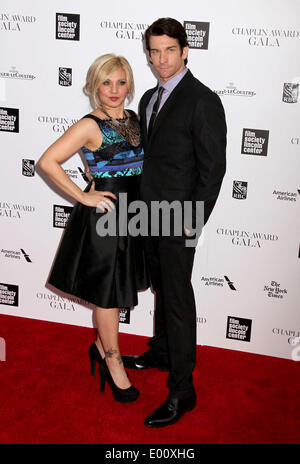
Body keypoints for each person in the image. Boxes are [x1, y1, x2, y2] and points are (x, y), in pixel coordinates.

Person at [123, 18, 227, 426]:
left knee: (178, 300)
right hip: (148, 214)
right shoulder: (149, 97)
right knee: (163, 290)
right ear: (147, 53)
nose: (161, 59)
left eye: (170, 50)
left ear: (185, 51)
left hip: (179, 218)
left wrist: (192, 222)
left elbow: (213, 169)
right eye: (154, 51)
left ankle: (183, 392)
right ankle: (163, 351)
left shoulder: (203, 100)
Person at [38, 54, 148, 403]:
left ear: (129, 85)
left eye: (120, 82)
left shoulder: (134, 118)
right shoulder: (89, 125)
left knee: (117, 288)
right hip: (105, 216)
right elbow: (47, 161)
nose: (113, 90)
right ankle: (113, 361)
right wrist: (83, 197)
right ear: (93, 86)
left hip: (133, 214)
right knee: (108, 293)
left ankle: (101, 348)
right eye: (106, 82)